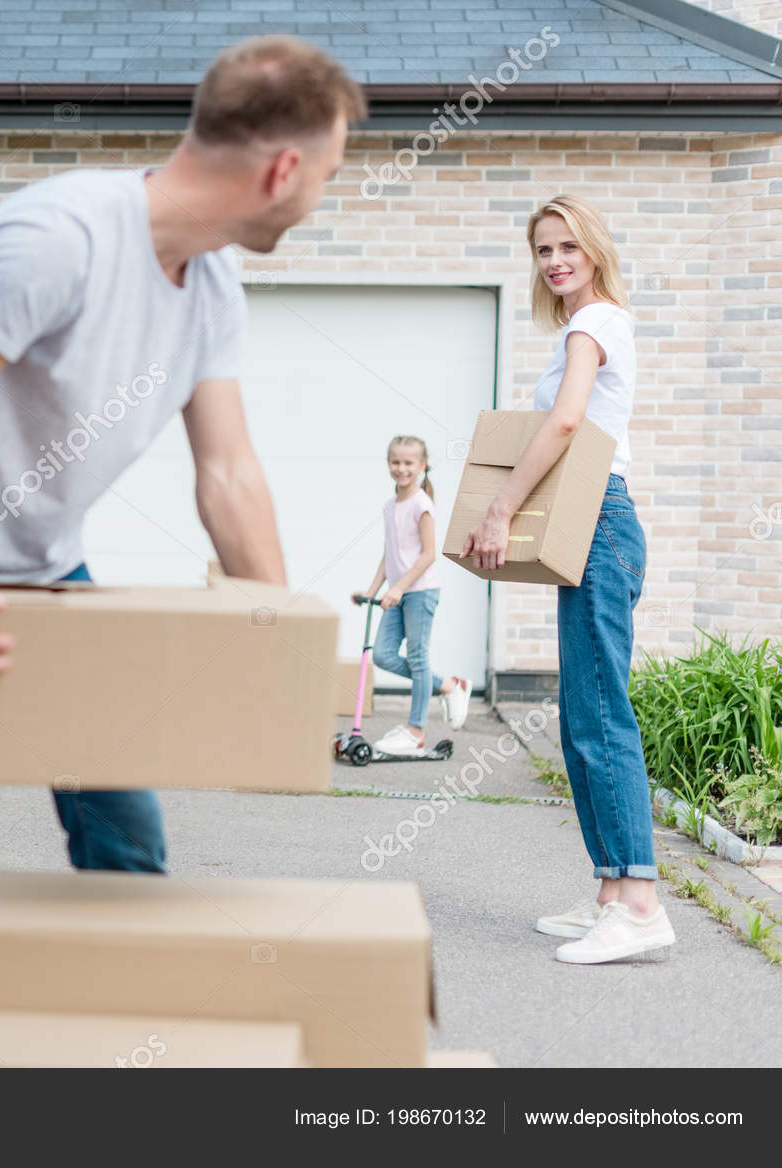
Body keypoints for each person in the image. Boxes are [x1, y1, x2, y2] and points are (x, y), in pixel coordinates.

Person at [0, 37, 367, 992]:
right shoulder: (62, 239)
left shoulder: (212, 281)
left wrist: (281, 649)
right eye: (329, 176)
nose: (323, 197)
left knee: (126, 850)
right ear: (281, 169)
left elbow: (226, 472)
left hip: (42, 571)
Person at [462, 193, 673, 964]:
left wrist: (499, 511)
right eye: (543, 249)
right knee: (585, 712)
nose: (554, 261)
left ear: (594, 250)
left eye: (567, 248)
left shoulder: (593, 324)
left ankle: (643, 904)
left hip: (599, 523)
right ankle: (613, 895)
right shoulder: (589, 325)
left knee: (599, 716)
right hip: (598, 527)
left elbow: (562, 425)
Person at [355, 435, 471, 754]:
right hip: (397, 592)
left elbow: (428, 554)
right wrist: (372, 590)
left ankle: (415, 732)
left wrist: (398, 588)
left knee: (419, 660)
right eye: (396, 462)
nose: (401, 468)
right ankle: (449, 686)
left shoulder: (422, 504)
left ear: (421, 466)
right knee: (382, 655)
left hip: (420, 591)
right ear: (388, 464)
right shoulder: (390, 505)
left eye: (408, 463)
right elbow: (389, 553)